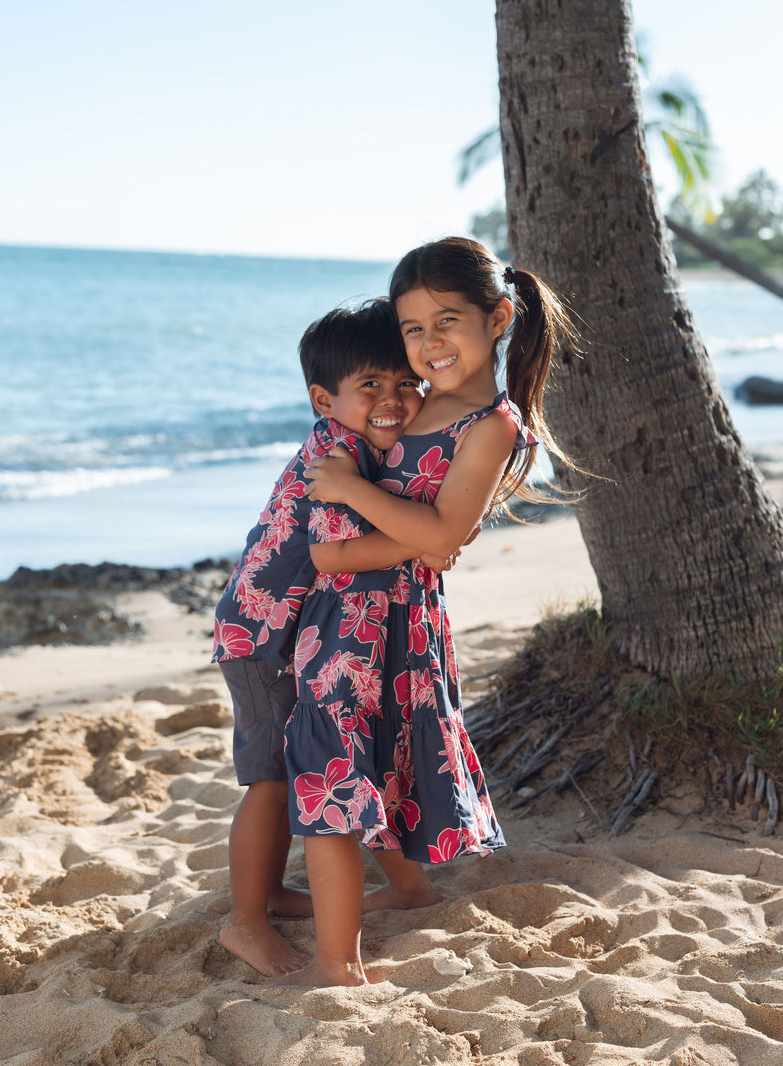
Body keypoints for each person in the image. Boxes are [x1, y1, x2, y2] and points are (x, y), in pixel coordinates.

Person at [282, 236, 579, 988]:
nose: (429, 343)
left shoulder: (492, 424)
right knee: (372, 756)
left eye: (448, 320)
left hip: (384, 620)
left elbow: (441, 536)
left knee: (332, 770)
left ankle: (336, 966)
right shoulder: (414, 399)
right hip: (345, 614)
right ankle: (409, 887)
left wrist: (349, 500)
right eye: (414, 328)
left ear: (500, 316)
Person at [213, 299, 441, 978]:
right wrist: (427, 541)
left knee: (307, 765)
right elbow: (333, 554)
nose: (392, 400)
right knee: (273, 780)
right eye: (370, 386)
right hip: (260, 638)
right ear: (325, 398)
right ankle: (245, 921)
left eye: (406, 384)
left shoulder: (367, 449)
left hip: (297, 636)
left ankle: (275, 894)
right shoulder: (333, 455)